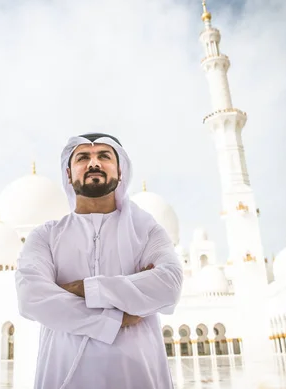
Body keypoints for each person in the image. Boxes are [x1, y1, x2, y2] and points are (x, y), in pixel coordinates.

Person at [15, 133, 184, 389]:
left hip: (137, 377)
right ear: (69, 175)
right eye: (83, 157)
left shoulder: (147, 230)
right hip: (63, 378)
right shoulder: (46, 236)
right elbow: (32, 298)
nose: (94, 163)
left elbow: (168, 286)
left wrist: (87, 288)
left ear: (121, 172)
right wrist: (116, 318)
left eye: (104, 156)